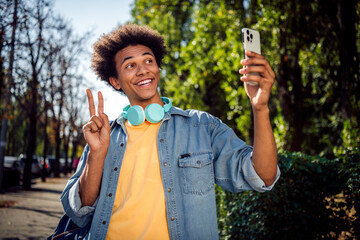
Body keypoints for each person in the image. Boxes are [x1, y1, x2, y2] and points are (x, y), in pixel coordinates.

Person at [60, 24, 280, 240]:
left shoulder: (202, 127)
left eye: (148, 60)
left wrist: (260, 108)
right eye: (130, 65)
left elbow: (262, 176)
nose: (143, 70)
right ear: (115, 81)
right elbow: (79, 211)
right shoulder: (104, 136)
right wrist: (96, 154)